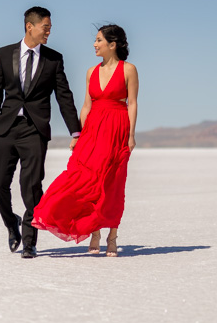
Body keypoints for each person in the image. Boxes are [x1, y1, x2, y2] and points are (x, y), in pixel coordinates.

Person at [32, 24, 138, 257]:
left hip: (116, 129)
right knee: (83, 178)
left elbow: (132, 104)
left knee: (112, 183)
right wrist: (78, 135)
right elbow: (87, 105)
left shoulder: (128, 69)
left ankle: (111, 235)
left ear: (113, 44)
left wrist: (130, 135)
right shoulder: (91, 72)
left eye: (99, 40)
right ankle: (94, 231)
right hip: (92, 130)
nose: (95, 44)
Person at [0, 6, 82, 259]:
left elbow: (64, 96)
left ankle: (29, 241)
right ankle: (11, 222)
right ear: (30, 26)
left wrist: (76, 131)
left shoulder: (53, 58)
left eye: (50, 28)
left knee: (31, 187)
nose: (49, 32)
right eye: (46, 27)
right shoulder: (4, 54)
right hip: (5, 128)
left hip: (34, 130)